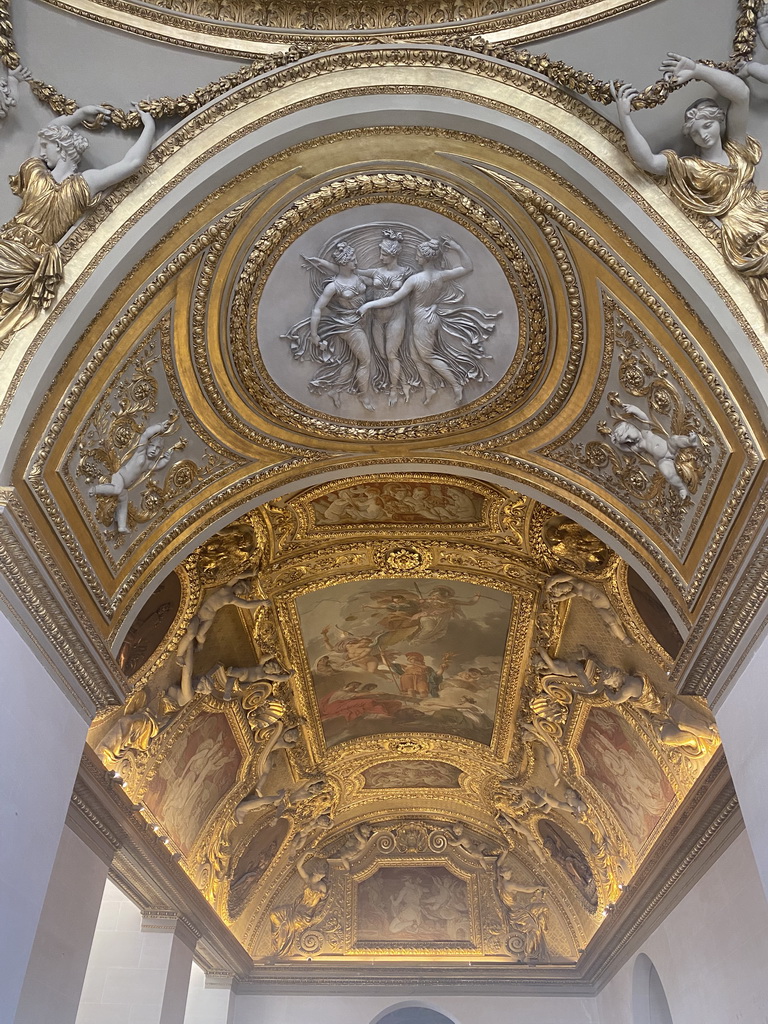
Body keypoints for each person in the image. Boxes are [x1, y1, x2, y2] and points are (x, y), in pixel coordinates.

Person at [611, 52, 768, 315]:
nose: (703, 134)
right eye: (695, 133)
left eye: (707, 125)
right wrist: (625, 118)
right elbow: (648, 161)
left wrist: (697, 70)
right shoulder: (691, 167)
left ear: (719, 122)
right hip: (745, 235)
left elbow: (740, 94)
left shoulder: (737, 149)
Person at [0, 102, 155, 342]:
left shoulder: (80, 183)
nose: (42, 152)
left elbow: (132, 164)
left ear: (62, 149)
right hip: (10, 247)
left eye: (47, 147)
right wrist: (78, 115)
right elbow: (48, 129)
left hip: (27, 259)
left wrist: (149, 126)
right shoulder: (41, 175)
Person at [359, 237, 499, 405]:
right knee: (415, 357)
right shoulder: (440, 275)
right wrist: (457, 248)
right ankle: (429, 387)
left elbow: (394, 299)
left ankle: (456, 384)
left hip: (422, 320)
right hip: (429, 317)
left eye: (418, 255)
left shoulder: (415, 279)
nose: (416, 258)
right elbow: (467, 267)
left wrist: (368, 305)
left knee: (427, 356)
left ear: (425, 258)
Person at [89, 414, 184, 533]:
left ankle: (121, 525)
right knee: (118, 490)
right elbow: (146, 434)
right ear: (148, 445)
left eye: (158, 448)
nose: (154, 449)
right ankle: (95, 489)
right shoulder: (140, 453)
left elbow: (158, 466)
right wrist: (160, 428)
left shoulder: (149, 464)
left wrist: (166, 458)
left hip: (125, 486)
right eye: (153, 446)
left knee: (123, 498)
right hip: (120, 477)